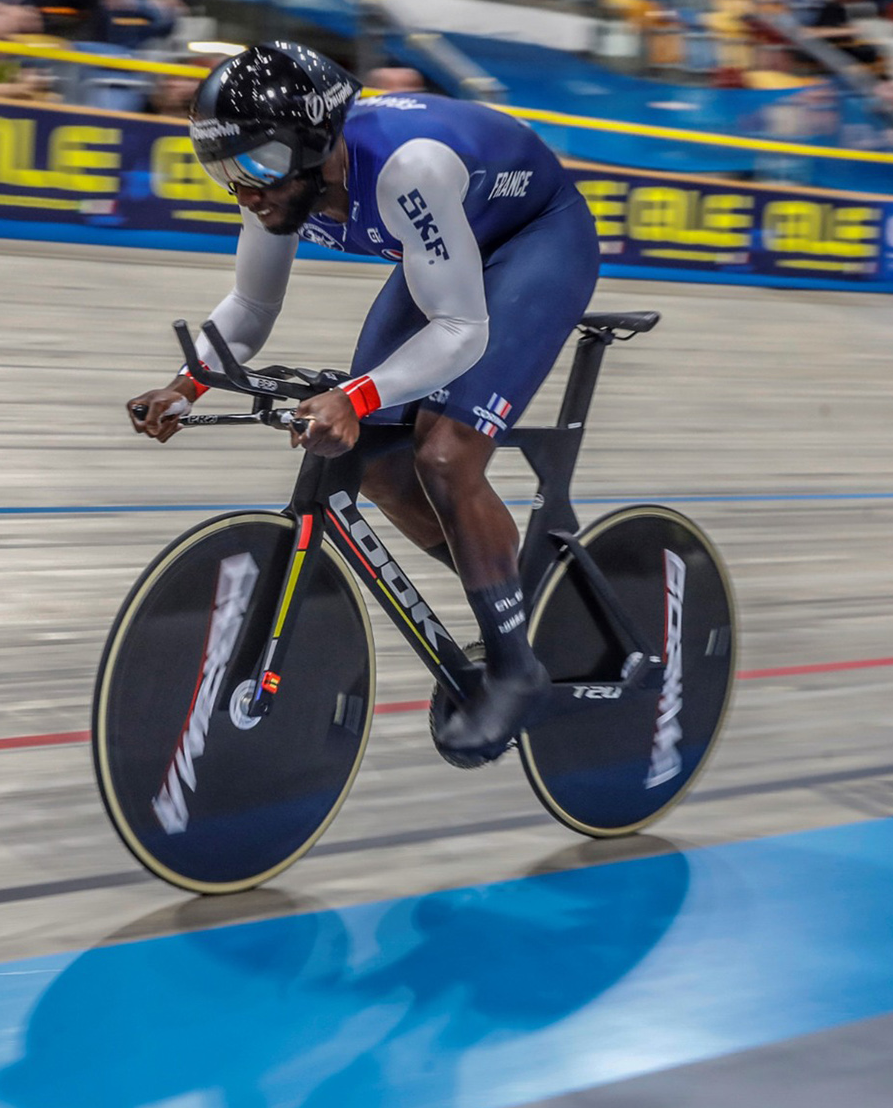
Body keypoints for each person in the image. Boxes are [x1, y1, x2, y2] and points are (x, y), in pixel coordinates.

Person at [125, 43, 601, 765]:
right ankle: (512, 587)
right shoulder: (281, 180)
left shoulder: (408, 170)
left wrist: (357, 392)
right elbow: (251, 306)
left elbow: (463, 330)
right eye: (224, 173)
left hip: (537, 239)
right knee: (368, 457)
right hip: (448, 246)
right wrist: (186, 383)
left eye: (252, 167)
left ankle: (515, 666)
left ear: (312, 142)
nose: (243, 191)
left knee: (444, 454)